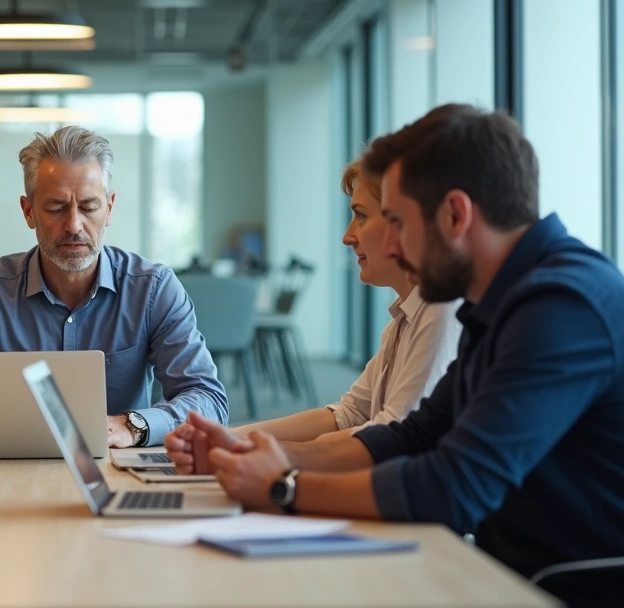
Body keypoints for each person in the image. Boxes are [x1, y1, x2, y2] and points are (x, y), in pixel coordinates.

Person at [165, 104, 624, 605]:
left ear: (455, 215)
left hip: (559, 587)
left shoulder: (561, 306)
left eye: (399, 223)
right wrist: (256, 456)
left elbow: (455, 485)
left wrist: (284, 486)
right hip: (500, 572)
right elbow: (413, 435)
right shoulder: (500, 300)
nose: (393, 247)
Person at [0, 125, 226, 448]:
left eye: (89, 207)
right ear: (28, 211)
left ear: (108, 209)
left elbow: (209, 399)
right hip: (1, 471)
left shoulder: (152, 290)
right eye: (56, 207)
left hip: (115, 467)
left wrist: (132, 425)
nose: (74, 225)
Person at [230, 159, 460, 442]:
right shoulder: (403, 320)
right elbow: (350, 414)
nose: (347, 237)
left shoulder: (440, 310)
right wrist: (234, 436)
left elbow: (393, 437)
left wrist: (258, 449)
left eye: (361, 215)